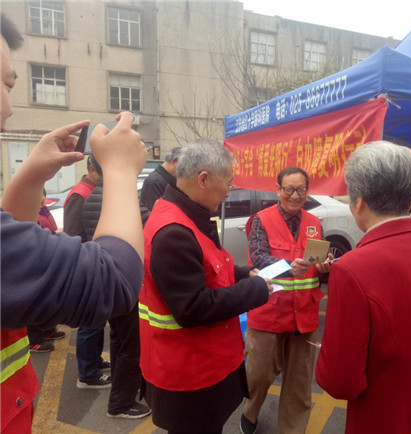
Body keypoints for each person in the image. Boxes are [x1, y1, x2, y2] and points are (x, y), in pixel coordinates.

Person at [0, 13, 148, 433]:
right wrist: (120, 169)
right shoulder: (83, 193)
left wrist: (30, 175)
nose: (9, 107)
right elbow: (114, 279)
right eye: (6, 85)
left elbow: (13, 252)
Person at [315, 141, 411, 433]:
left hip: (387, 418)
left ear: (359, 202)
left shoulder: (351, 269)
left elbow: (340, 381)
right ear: (410, 199)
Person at [139, 140, 272, 434]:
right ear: (203, 179)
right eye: (228, 183)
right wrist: (255, 289)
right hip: (189, 375)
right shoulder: (174, 232)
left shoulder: (185, 214)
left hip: (198, 365)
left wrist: (243, 274)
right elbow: (192, 308)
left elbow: (208, 267)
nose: (228, 192)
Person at [241, 166, 332, 434]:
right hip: (268, 312)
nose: (295, 196)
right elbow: (258, 256)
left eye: (301, 190)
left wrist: (325, 264)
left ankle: (292, 430)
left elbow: (319, 259)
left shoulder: (315, 223)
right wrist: (287, 267)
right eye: (289, 189)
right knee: (258, 374)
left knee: (299, 383)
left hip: (305, 315)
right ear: (278, 189)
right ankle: (250, 410)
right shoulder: (261, 220)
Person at [81, 159, 151, 418]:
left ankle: (121, 394)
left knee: (120, 339)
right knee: (131, 345)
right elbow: (149, 222)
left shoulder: (92, 197)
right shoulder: (121, 198)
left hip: (106, 279)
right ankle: (121, 404)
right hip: (125, 280)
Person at [64, 155, 111, 390]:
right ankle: (86, 374)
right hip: (86, 267)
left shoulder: (91, 191)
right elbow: (73, 235)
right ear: (92, 170)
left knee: (97, 319)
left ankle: (94, 360)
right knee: (89, 322)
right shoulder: (80, 194)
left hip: (95, 264)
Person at [27, 189, 67, 353]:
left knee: (46, 300)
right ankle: (34, 340)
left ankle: (47, 330)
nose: (42, 198)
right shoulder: (27, 215)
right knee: (33, 302)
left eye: (43, 194)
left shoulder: (43, 212)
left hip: (45, 261)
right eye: (38, 194)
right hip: (33, 266)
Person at [140, 146, 182, 210]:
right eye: (184, 165)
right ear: (175, 161)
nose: (186, 170)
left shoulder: (167, 180)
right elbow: (151, 212)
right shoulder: (154, 182)